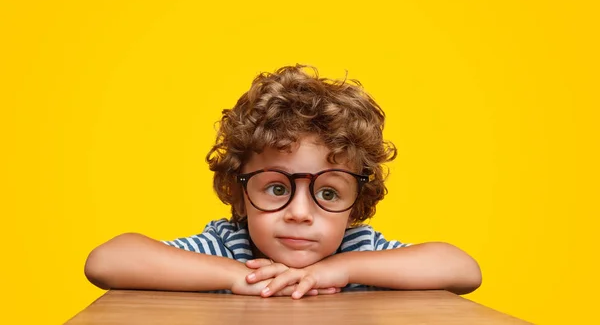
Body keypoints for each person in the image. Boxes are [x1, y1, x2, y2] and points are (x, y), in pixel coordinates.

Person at [84, 65, 482, 299]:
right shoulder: (225, 248)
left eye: (328, 192)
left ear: (356, 204)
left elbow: (463, 270)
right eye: (277, 188)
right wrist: (241, 278)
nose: (299, 213)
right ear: (240, 195)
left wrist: (340, 270)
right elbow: (107, 261)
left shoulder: (360, 251)